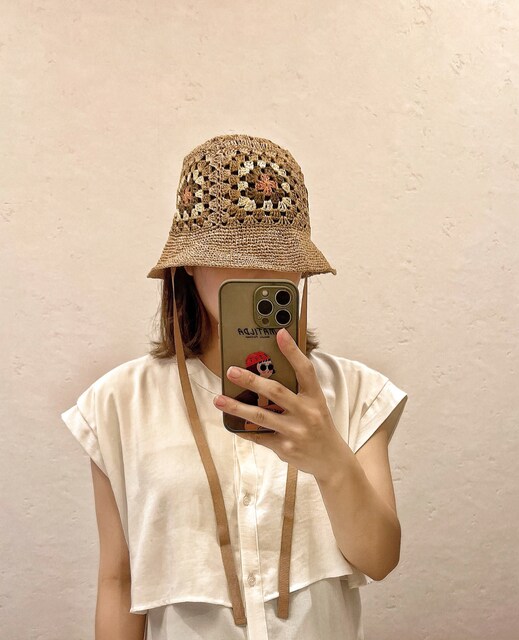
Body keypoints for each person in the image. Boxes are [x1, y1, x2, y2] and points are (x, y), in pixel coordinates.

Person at [61, 133, 409, 640]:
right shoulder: (118, 404)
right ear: (188, 264)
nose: (260, 270)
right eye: (233, 253)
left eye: (277, 255)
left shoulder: (356, 393)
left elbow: (379, 560)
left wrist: (330, 459)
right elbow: (119, 580)